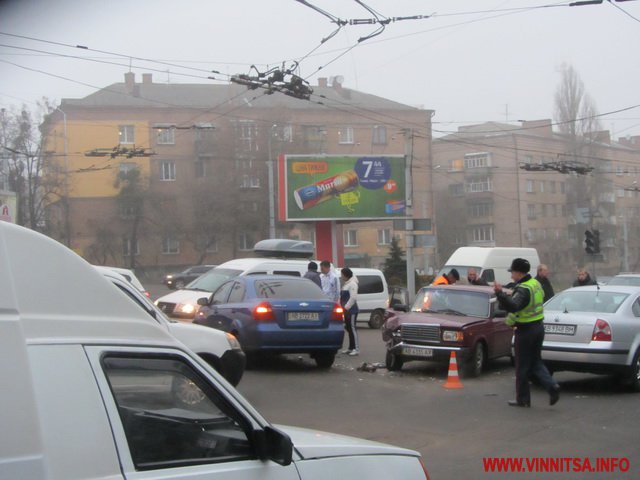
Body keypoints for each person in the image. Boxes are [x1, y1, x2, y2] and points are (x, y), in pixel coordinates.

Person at [494, 258, 560, 408]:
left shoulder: (524, 289)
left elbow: (514, 306)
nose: (511, 275)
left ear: (519, 273)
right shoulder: (535, 284)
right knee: (536, 362)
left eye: (512, 272)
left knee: (521, 366)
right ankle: (552, 386)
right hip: (538, 327)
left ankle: (523, 399)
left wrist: (500, 294)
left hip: (525, 331)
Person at [340, 267, 359, 356]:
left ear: (346, 275)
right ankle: (350, 348)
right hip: (346, 310)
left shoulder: (352, 284)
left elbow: (353, 298)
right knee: (348, 328)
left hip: (351, 310)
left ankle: (356, 348)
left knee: (352, 328)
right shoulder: (346, 284)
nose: (341, 276)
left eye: (342, 274)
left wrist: (346, 307)